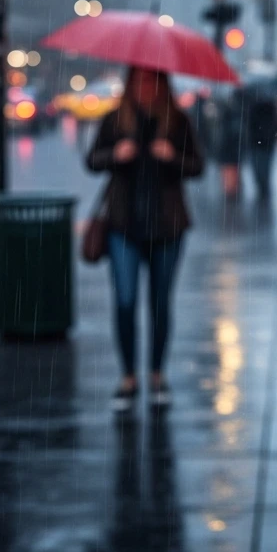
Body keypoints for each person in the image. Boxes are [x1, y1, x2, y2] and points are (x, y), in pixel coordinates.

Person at [87, 66, 204, 410]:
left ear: (163, 85)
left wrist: (173, 157)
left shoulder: (177, 121)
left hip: (167, 228)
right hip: (123, 226)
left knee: (159, 303)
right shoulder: (114, 120)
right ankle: (128, 377)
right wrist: (115, 154)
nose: (146, 88)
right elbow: (92, 160)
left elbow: (197, 166)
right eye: (140, 82)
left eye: (153, 82)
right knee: (125, 301)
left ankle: (156, 374)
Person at [245, 90, 277, 201]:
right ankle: (263, 189)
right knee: (263, 168)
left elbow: (251, 125)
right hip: (264, 142)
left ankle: (263, 188)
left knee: (260, 168)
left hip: (260, 142)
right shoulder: (270, 107)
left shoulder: (256, 107)